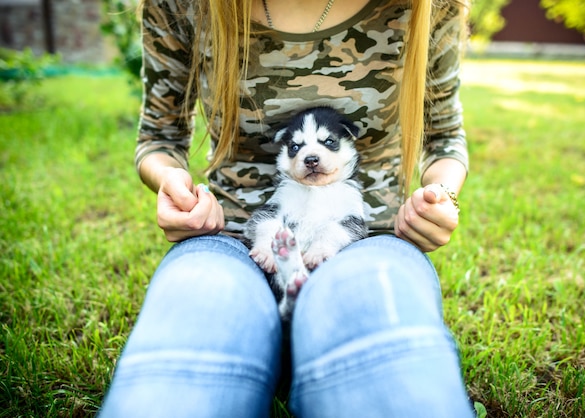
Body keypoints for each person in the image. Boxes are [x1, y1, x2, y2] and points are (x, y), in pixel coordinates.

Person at [99, 0, 474, 416]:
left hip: (368, 241)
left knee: (389, 356)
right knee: (189, 342)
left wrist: (442, 195)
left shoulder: (429, 6)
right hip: (230, 240)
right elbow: (159, 135)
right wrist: (172, 181)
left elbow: (444, 136)